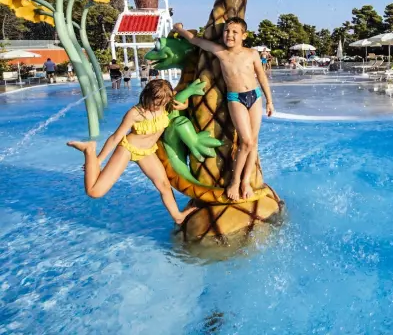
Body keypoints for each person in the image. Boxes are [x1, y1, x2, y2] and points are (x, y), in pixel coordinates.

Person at [66, 79, 197, 224]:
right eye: (155, 103)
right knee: (94, 192)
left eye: (162, 103)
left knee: (164, 185)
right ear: (147, 96)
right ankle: (89, 150)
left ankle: (177, 216)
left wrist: (185, 105)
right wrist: (99, 160)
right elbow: (116, 137)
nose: (157, 107)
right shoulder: (135, 113)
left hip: (147, 152)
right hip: (127, 149)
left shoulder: (166, 100)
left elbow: (183, 94)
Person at [173, 18, 274, 201]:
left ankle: (245, 182)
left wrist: (269, 101)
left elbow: (261, 76)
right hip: (235, 98)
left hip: (255, 96)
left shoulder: (252, 54)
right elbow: (196, 40)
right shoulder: (221, 52)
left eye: (235, 32)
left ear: (244, 35)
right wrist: (179, 30)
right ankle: (235, 182)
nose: (229, 35)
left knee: (253, 142)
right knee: (246, 141)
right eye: (227, 31)